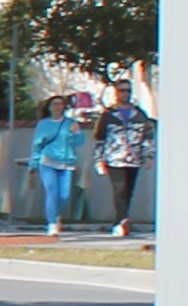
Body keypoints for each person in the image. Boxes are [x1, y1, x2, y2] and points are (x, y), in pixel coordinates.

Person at [25, 97, 95, 238]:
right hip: (47, 162)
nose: (58, 107)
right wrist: (33, 163)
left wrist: (76, 132)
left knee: (64, 196)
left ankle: (56, 215)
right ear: (49, 107)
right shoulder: (43, 124)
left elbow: (79, 142)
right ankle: (51, 224)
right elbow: (37, 145)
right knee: (52, 192)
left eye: (61, 104)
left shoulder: (70, 123)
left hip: (66, 163)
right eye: (55, 104)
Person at [92, 90, 155, 235]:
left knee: (128, 191)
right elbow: (99, 139)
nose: (125, 93)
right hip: (114, 158)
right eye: (122, 90)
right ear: (116, 93)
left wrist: (149, 156)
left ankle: (122, 218)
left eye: (128, 90)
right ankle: (121, 220)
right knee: (119, 189)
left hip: (134, 158)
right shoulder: (108, 115)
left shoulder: (139, 115)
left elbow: (148, 137)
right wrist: (99, 159)